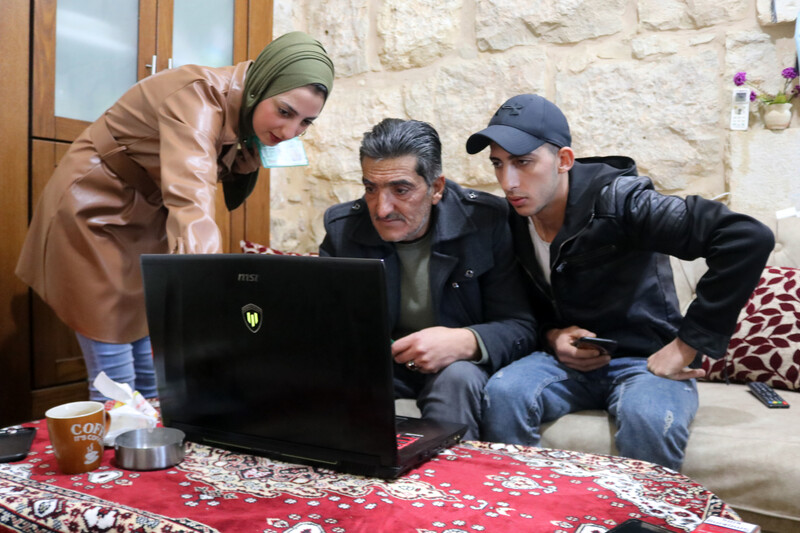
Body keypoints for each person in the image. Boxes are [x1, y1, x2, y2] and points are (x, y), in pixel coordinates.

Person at [16, 32, 335, 401]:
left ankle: (151, 447)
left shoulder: (246, 116)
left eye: (305, 123)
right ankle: (119, 442)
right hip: (95, 207)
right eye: (284, 111)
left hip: (148, 212)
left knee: (151, 356)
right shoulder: (197, 93)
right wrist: (209, 290)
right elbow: (192, 187)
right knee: (114, 364)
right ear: (261, 85)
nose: (290, 131)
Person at [466, 94, 774, 469]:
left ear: (563, 160)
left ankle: (648, 526)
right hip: (564, 363)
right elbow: (520, 304)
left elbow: (746, 238)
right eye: (498, 164)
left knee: (647, 418)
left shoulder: (621, 201)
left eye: (523, 162)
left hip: (643, 361)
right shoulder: (512, 217)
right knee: (503, 393)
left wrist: (687, 345)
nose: (508, 181)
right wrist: (552, 336)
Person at [320, 118, 537, 440]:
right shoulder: (344, 228)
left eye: (401, 189)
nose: (381, 209)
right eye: (370, 188)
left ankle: (449, 487)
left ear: (436, 188)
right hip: (382, 364)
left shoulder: (486, 222)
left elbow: (521, 325)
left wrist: (465, 341)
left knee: (458, 378)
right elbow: (324, 325)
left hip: (456, 365)